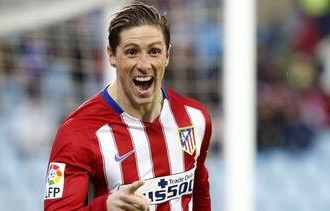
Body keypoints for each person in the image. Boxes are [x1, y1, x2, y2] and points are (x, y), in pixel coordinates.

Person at [44, 2, 212, 211]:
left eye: (154, 51)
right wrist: (104, 207)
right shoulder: (78, 132)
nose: (144, 64)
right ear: (112, 56)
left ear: (167, 56)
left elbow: (199, 191)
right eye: (132, 52)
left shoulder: (195, 118)